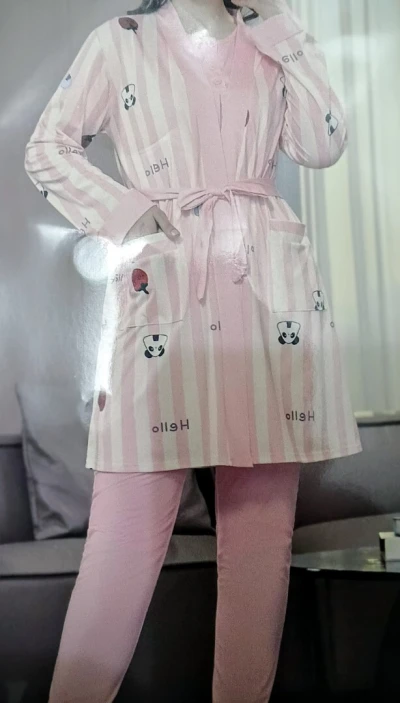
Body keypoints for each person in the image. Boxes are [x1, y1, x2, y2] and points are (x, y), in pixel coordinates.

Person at [24, 0, 362, 701]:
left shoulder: (270, 38)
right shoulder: (120, 41)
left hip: (266, 303)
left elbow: (322, 143)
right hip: (166, 298)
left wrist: (279, 25)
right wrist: (127, 215)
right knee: (120, 549)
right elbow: (47, 147)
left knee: (259, 556)